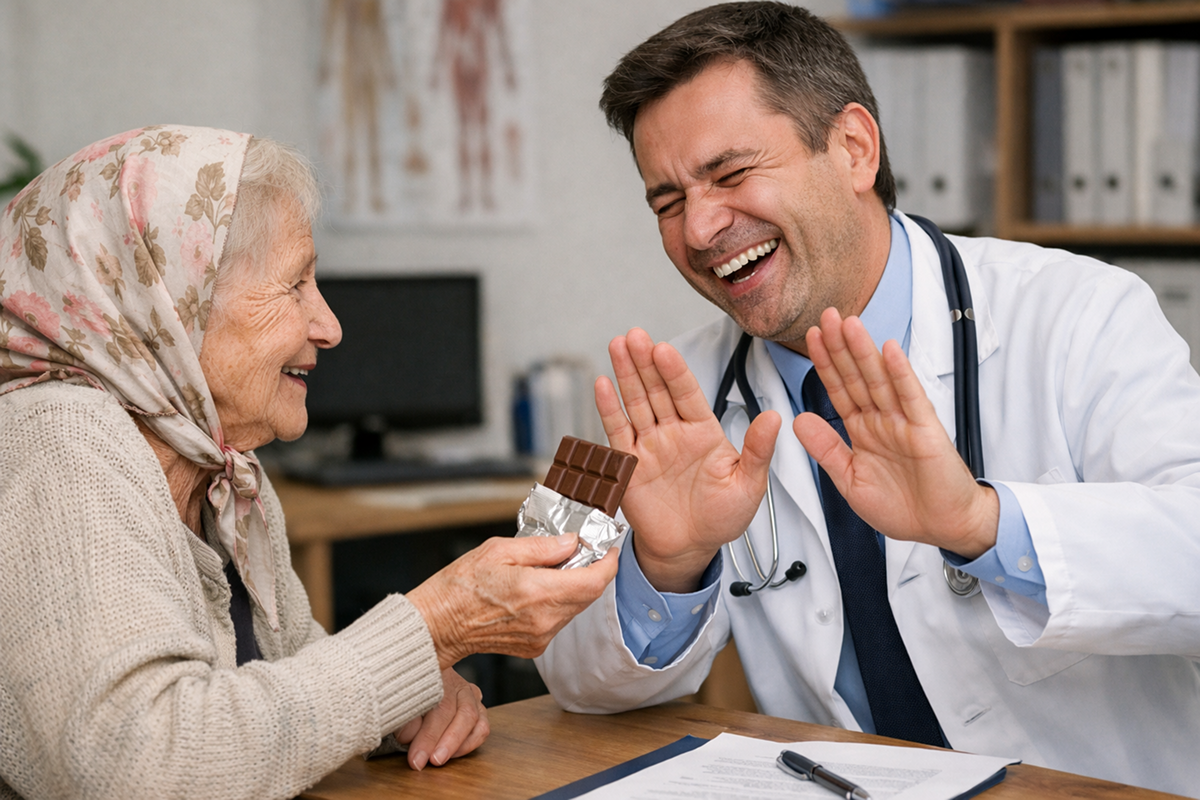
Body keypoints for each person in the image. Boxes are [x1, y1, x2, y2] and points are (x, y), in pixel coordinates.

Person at [534, 3, 1200, 794]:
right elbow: (568, 674)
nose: (702, 226)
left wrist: (983, 526)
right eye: (668, 201)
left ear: (853, 147)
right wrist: (667, 567)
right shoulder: (657, 403)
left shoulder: (1079, 311)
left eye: (731, 173)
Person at [0, 125, 617, 800]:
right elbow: (137, 763)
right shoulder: (58, 438)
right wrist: (432, 628)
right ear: (175, 304)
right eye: (295, 285)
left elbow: (288, 681)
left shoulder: (225, 474)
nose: (330, 326)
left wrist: (407, 699)